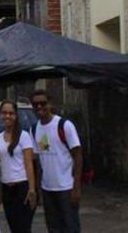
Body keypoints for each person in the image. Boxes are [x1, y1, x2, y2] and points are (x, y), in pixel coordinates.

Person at [30, 90, 82, 233]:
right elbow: (38, 161)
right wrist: (38, 189)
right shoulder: (34, 129)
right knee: (53, 228)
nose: (40, 107)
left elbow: (77, 155)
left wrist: (76, 188)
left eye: (43, 103)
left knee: (70, 227)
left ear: (50, 104)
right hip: (48, 189)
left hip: (66, 187)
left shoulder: (64, 125)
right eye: (36, 104)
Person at [0, 100, 37, 233]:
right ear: (0, 114)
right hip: (7, 189)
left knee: (23, 228)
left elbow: (29, 163)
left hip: (22, 188)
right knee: (13, 227)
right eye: (4, 113)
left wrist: (32, 189)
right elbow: (0, 165)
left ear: (16, 115)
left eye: (11, 113)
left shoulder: (24, 136)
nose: (7, 116)